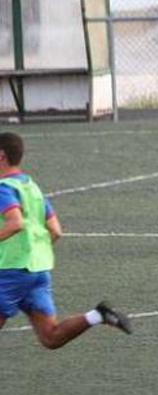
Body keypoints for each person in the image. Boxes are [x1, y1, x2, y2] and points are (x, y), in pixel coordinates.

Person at [0, 132, 131, 345]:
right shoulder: (32, 188)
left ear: (1, 156)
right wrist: (34, 251)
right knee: (50, 336)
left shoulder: (3, 188)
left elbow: (15, 223)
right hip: (39, 270)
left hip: (11, 270)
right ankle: (97, 315)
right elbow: (55, 230)